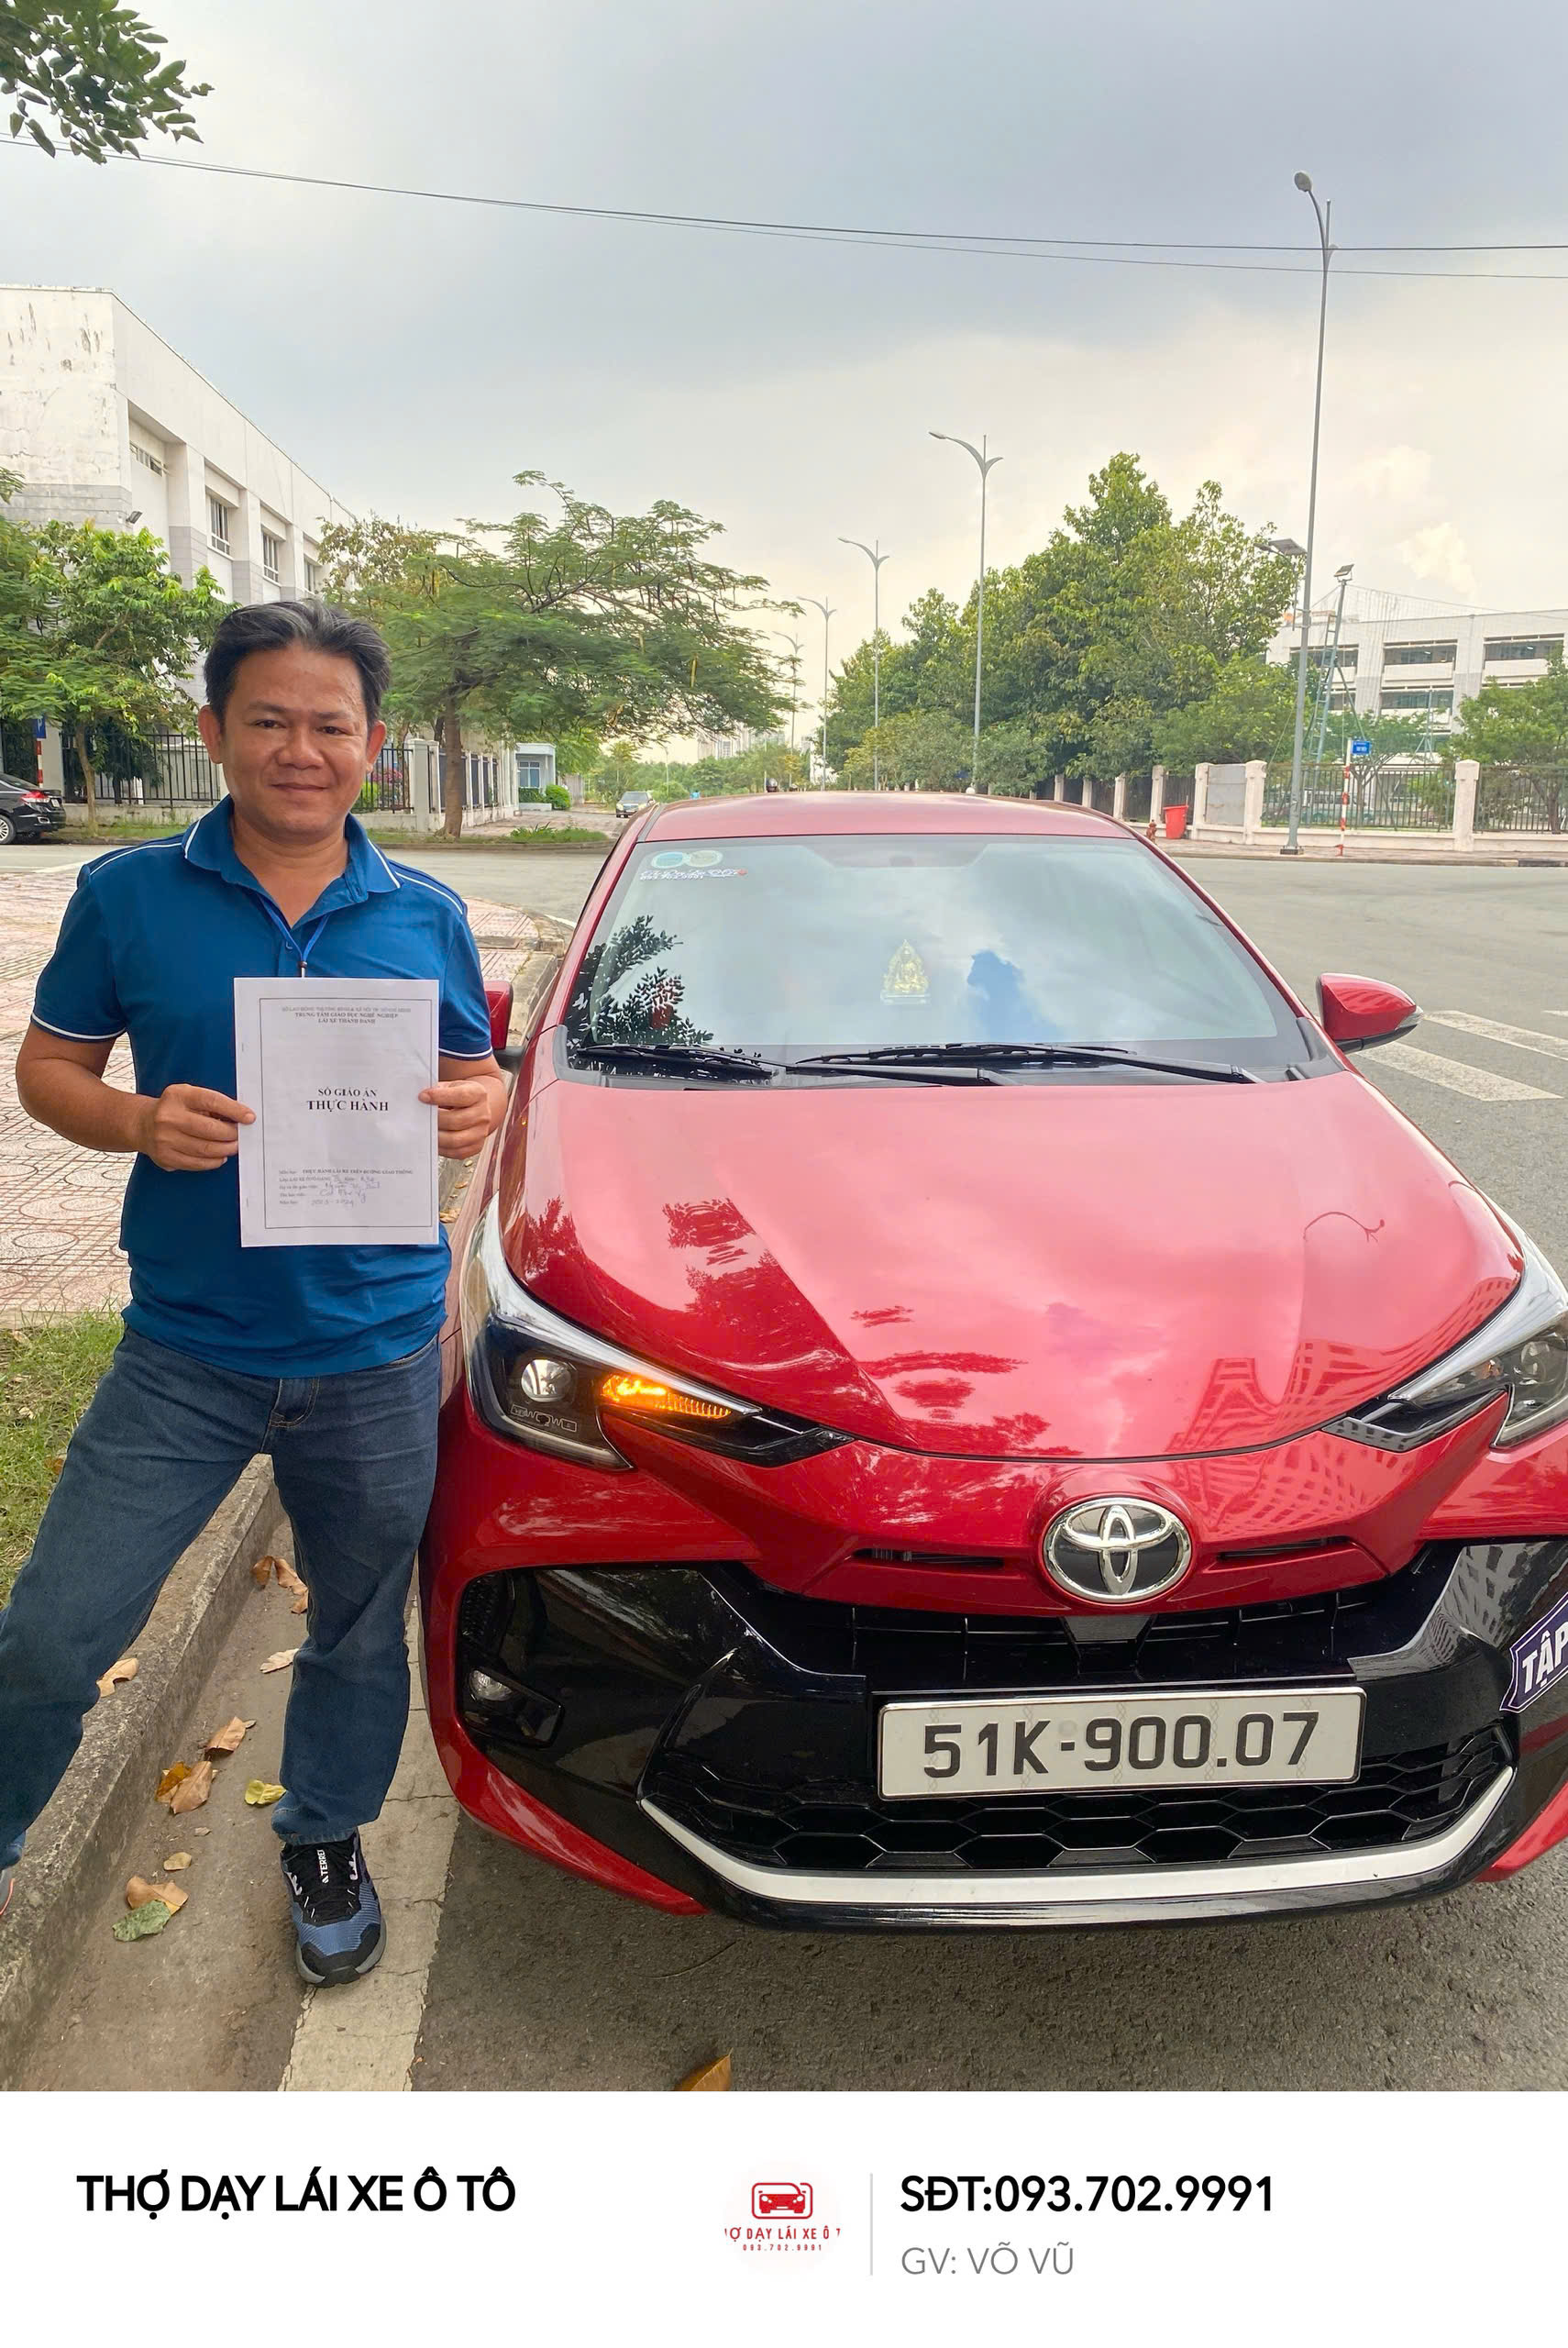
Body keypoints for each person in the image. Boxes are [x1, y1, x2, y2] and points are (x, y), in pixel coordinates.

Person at [0, 600, 507, 1984]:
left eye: (329, 725)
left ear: (373, 746)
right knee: (54, 1627)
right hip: (188, 1351)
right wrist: (136, 1121)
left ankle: (325, 1832)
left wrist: (481, 1102)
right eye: (268, 720)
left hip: (376, 1349)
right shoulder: (127, 896)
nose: (300, 749)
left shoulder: (423, 914)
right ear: (216, 731)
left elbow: (471, 1074)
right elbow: (48, 1071)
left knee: (355, 1627)